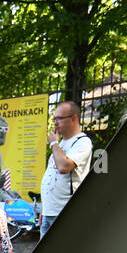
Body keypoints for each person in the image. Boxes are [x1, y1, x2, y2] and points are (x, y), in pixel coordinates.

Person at [39, 100, 94, 237]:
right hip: (49, 212)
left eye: (59, 118)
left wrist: (54, 144)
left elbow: (64, 167)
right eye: (54, 119)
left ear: (74, 118)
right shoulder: (60, 143)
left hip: (63, 212)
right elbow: (51, 175)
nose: (55, 122)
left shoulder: (82, 142)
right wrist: (43, 209)